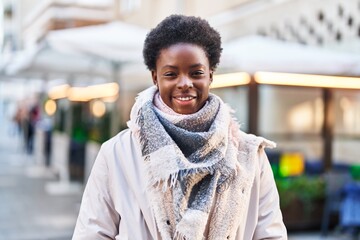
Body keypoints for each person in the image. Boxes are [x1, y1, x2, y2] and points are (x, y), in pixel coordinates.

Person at [73, 14, 287, 240]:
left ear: (210, 76)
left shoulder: (248, 155)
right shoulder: (116, 154)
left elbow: (270, 235)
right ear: (155, 77)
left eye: (196, 73)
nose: (185, 83)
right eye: (171, 74)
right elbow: (91, 234)